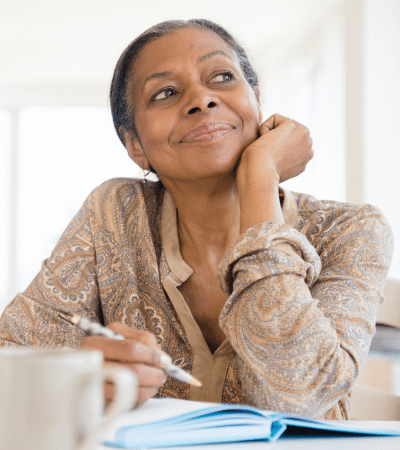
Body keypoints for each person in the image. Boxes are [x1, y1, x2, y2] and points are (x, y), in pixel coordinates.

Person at [0, 19, 393, 420]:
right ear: (135, 145)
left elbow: (301, 395)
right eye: (165, 93)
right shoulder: (113, 213)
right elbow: (8, 359)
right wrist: (77, 378)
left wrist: (260, 174)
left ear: (256, 102)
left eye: (222, 76)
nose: (201, 99)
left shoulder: (350, 229)